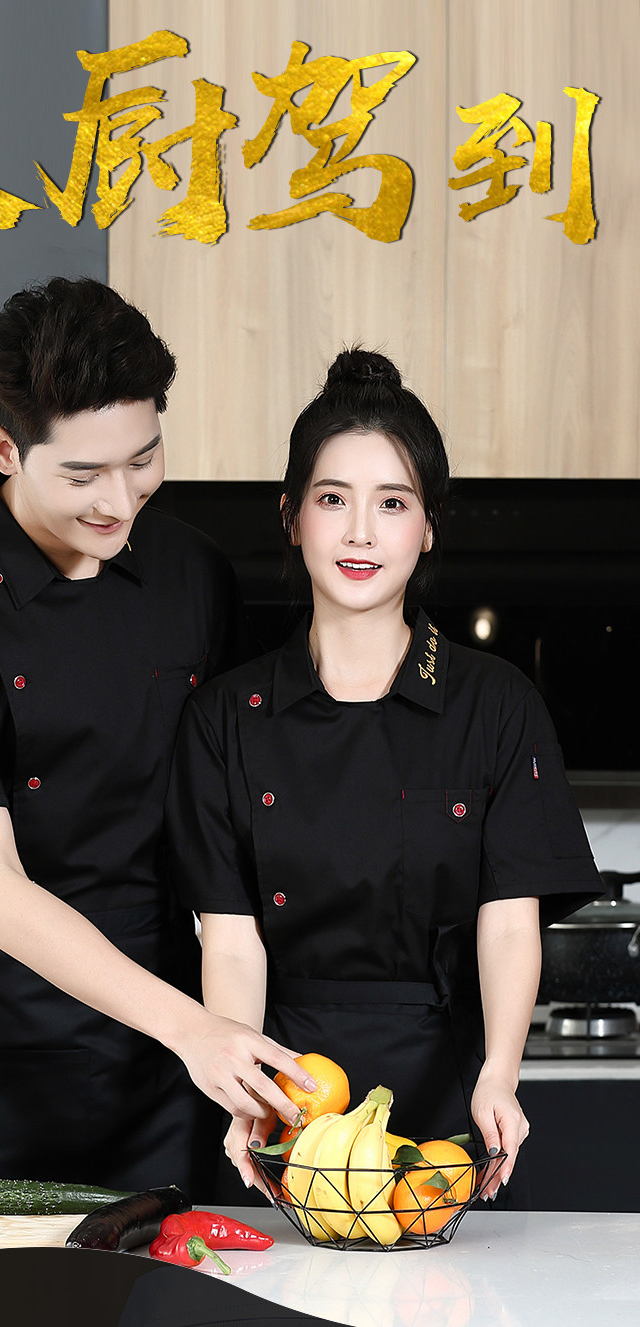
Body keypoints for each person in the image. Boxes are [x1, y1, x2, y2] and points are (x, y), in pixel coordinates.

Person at [0, 276, 313, 1194]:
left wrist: (214, 1023)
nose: (120, 500)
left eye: (143, 459)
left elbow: (235, 816)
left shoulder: (192, 572)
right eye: (82, 476)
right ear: (4, 449)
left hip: (166, 1055)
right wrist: (193, 1026)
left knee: (169, 1273)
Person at [166, 348, 602, 1202]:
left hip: (451, 1096)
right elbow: (231, 937)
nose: (360, 532)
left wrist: (501, 1075)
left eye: (393, 503)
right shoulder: (224, 717)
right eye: (333, 499)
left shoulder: (496, 704)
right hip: (289, 1096)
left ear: (428, 526)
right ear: (292, 516)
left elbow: (508, 922)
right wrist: (245, 1092)